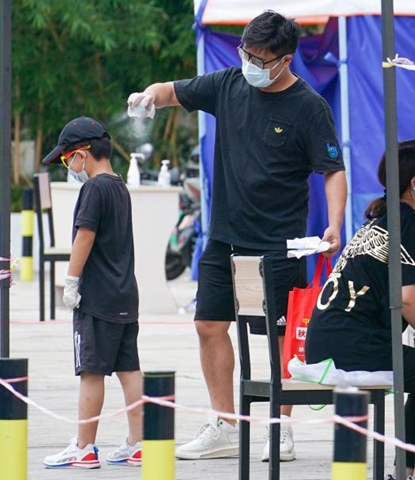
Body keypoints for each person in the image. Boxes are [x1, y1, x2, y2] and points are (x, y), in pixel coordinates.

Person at [126, 10, 347, 461]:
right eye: (246, 52)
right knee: (209, 324)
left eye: (261, 59)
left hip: (278, 243)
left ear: (285, 60)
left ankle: (280, 428)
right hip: (224, 235)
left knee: (276, 337)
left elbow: (333, 171)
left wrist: (336, 223)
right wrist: (148, 96)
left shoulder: (308, 107)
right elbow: (172, 91)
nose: (250, 64)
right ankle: (224, 423)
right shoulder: (228, 83)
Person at [305, 140, 415, 480]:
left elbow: (406, 274)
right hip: (352, 346)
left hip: (326, 341)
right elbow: (407, 298)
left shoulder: (388, 218)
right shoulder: (407, 222)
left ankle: (405, 473)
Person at [40, 117, 143, 468]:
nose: (69, 168)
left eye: (68, 160)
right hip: (125, 295)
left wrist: (70, 280)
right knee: (129, 369)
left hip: (97, 298)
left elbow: (85, 236)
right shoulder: (119, 186)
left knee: (92, 371)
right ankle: (139, 440)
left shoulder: (94, 188)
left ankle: (85, 445)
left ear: (83, 154)